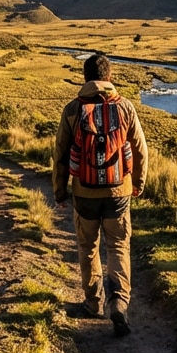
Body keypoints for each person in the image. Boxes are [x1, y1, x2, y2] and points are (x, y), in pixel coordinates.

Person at [53, 53, 148, 337]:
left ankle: (93, 303)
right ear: (109, 77)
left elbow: (59, 154)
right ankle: (119, 302)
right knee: (118, 246)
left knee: (88, 247)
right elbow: (141, 149)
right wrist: (138, 183)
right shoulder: (126, 107)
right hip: (119, 191)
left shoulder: (72, 109)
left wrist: (59, 190)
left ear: (85, 77)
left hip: (84, 192)